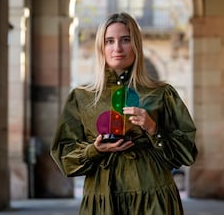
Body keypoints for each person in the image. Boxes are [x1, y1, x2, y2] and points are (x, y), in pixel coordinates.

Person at [50, 12, 197, 214]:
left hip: (153, 199)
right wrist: (94, 150)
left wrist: (153, 129)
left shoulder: (161, 93)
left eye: (125, 40)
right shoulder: (81, 97)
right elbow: (64, 156)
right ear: (101, 47)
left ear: (136, 44)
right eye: (109, 41)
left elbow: (186, 153)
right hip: (102, 200)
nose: (117, 48)